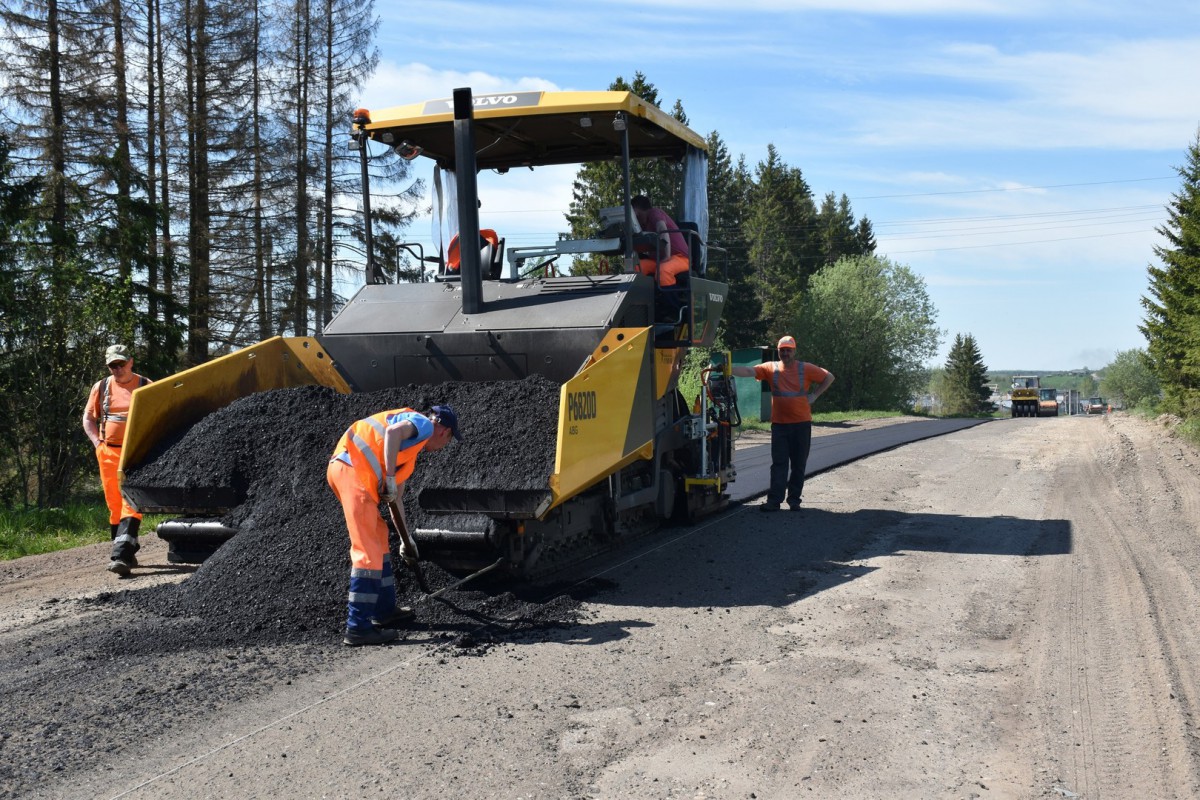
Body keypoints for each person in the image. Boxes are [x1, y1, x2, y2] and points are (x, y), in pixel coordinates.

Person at [327, 405, 463, 646]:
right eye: (450, 440)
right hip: (353, 470)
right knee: (367, 551)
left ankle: (384, 610)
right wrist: (389, 477)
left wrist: (405, 540)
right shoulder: (423, 425)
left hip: (349, 470)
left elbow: (395, 500)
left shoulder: (408, 456)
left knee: (379, 538)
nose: (444, 446)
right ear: (446, 432)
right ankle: (357, 627)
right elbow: (391, 433)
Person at [731, 335, 834, 512]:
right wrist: (727, 368)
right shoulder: (771, 368)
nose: (785, 353)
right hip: (780, 425)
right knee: (779, 463)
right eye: (782, 350)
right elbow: (749, 371)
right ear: (778, 351)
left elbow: (829, 377)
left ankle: (794, 500)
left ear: (794, 351)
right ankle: (774, 501)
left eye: (788, 350)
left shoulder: (805, 368)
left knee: (798, 463)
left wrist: (815, 395)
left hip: (801, 424)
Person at [83, 344, 152, 576]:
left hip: (136, 453)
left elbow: (161, 414)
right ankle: (128, 551)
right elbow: (88, 418)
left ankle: (120, 555)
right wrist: (97, 444)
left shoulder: (146, 386)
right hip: (108, 453)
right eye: (113, 365)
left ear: (131, 362)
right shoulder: (101, 387)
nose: (117, 369)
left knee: (131, 501)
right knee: (114, 505)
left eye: (121, 364)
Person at [631, 195, 690, 288]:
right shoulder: (641, 225)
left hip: (681, 258)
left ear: (635, 210)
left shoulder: (654, 213)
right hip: (658, 260)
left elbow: (662, 229)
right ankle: (641, 300)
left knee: (663, 270)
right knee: (636, 267)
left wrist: (666, 256)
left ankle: (670, 302)